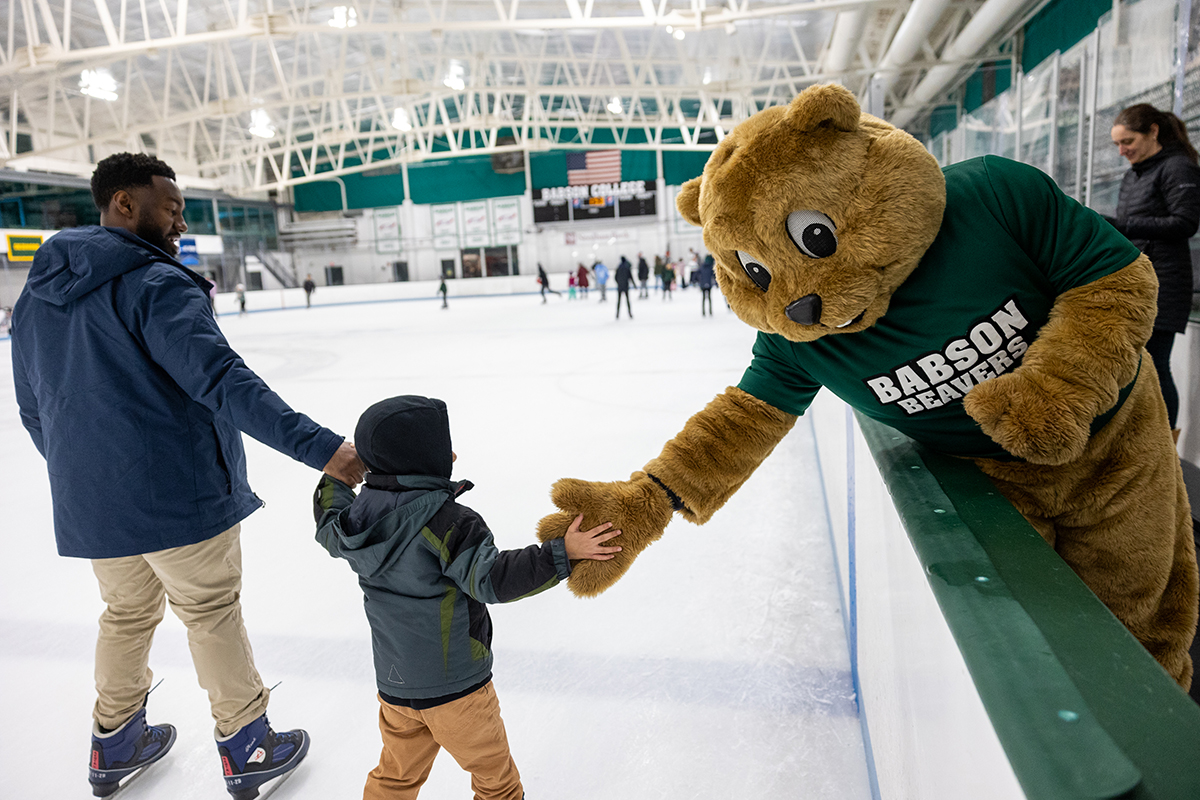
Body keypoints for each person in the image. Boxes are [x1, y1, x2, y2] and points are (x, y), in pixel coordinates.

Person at [9, 152, 366, 799]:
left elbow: (34, 406)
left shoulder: (38, 293)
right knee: (209, 612)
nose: (178, 223)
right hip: (177, 495)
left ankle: (114, 742)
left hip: (98, 507)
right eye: (170, 209)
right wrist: (324, 450)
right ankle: (249, 746)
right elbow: (223, 382)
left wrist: (86, 475)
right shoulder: (154, 283)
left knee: (124, 615)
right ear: (124, 203)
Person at [312, 395, 622, 800]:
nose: (451, 453)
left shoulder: (357, 518)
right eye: (441, 447)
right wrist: (560, 553)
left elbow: (327, 520)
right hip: (458, 691)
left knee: (396, 778)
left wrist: (334, 477)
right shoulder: (449, 522)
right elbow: (492, 579)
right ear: (421, 457)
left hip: (396, 688)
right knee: (497, 783)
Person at [1109, 103, 1200, 442]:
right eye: (1117, 145)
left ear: (1153, 132)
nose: (1122, 151)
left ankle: (1164, 446)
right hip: (1139, 281)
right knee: (1138, 365)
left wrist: (1122, 226)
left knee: (1156, 364)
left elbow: (1185, 222)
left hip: (1166, 283)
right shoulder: (1134, 173)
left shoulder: (1178, 168)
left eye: (1128, 141)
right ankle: (1141, 442)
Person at [614, 255, 636, 320]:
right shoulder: (627, 267)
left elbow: (615, 277)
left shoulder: (618, 267)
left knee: (619, 301)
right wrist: (634, 285)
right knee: (627, 300)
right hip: (626, 286)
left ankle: (617, 314)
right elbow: (630, 277)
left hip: (620, 286)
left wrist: (619, 282)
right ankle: (629, 313)